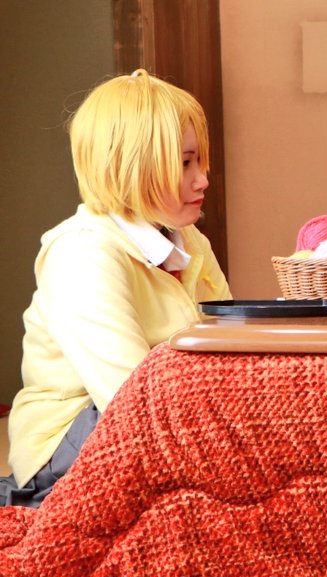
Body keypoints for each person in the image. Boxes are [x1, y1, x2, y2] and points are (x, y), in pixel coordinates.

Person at [1, 69, 231, 506]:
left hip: (161, 410)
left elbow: (227, 342)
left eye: (200, 160)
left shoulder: (187, 237)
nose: (203, 178)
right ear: (133, 167)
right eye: (186, 163)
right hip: (76, 434)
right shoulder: (83, 252)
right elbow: (129, 399)